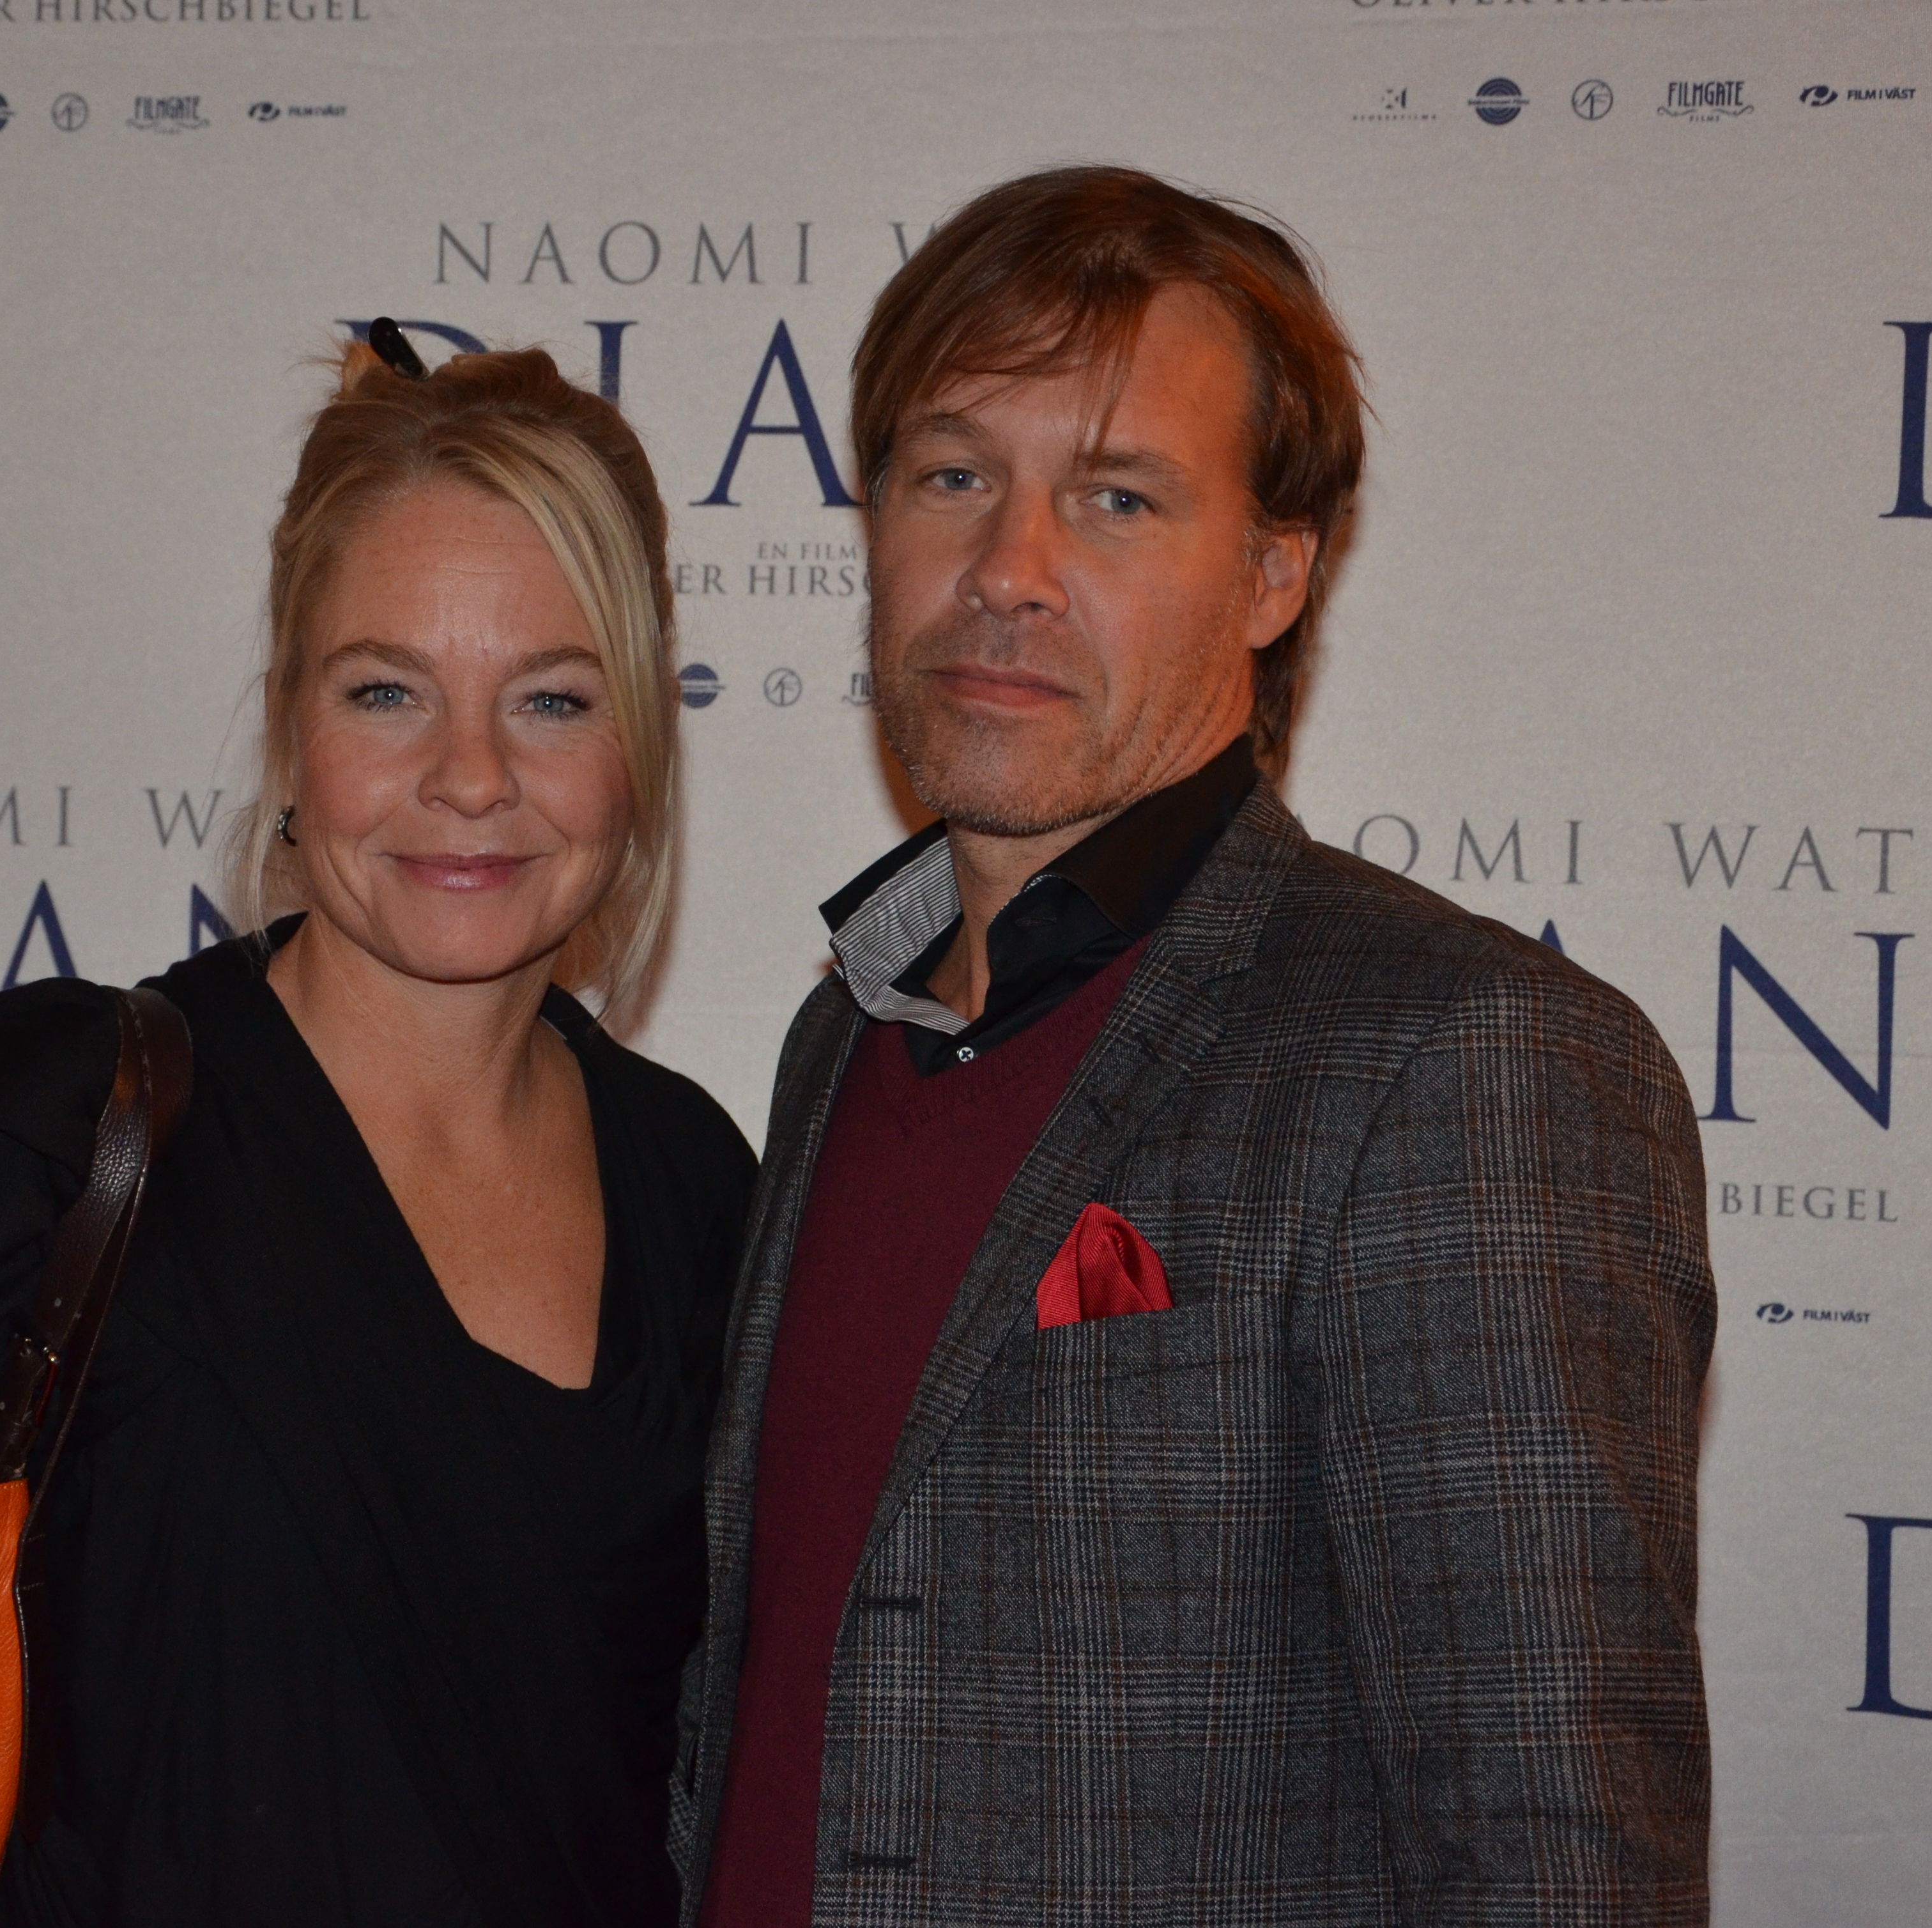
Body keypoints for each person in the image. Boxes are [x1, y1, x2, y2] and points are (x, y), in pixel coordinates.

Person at [0, 335, 756, 1927]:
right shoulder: (63, 1135)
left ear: (641, 742)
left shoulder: (699, 1187)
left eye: (551, 698)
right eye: (387, 692)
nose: (471, 777)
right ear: (291, 728)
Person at [674, 167, 1714, 1926]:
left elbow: (1557, 1862)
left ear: (1271, 573)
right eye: (952, 477)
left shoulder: (1467, 1060)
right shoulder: (836, 1036)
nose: (1006, 572)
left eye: (1116, 497)